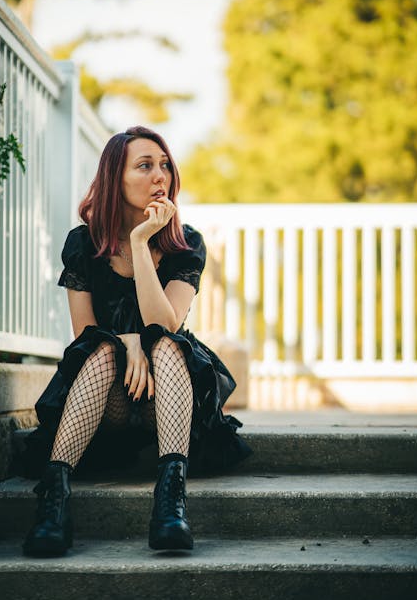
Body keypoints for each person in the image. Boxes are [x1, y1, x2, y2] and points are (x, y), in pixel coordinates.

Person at [22, 126, 252, 557]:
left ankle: (170, 503)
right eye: (145, 166)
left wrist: (141, 242)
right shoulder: (82, 243)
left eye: (164, 165)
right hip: (105, 397)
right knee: (103, 348)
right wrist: (128, 342)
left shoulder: (186, 246)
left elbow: (164, 323)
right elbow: (83, 336)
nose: (159, 176)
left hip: (167, 401)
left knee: (167, 345)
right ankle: (53, 503)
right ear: (116, 178)